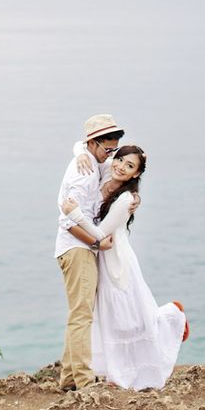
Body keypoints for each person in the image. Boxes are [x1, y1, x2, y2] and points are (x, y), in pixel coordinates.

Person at [62, 144, 188, 390]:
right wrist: (79, 154)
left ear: (136, 175)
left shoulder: (126, 199)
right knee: (110, 316)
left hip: (117, 260)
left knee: (127, 318)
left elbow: (102, 232)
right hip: (102, 256)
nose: (120, 167)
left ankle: (173, 316)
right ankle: (115, 372)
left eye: (129, 166)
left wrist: (76, 214)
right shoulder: (111, 170)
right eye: (119, 161)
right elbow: (82, 143)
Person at [54, 113, 126, 392]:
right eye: (107, 149)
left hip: (77, 249)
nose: (111, 156)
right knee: (82, 315)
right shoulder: (83, 175)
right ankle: (83, 381)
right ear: (94, 144)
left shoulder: (94, 161)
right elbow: (67, 219)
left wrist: (80, 149)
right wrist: (96, 243)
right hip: (77, 249)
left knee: (79, 313)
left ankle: (70, 378)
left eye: (114, 150)